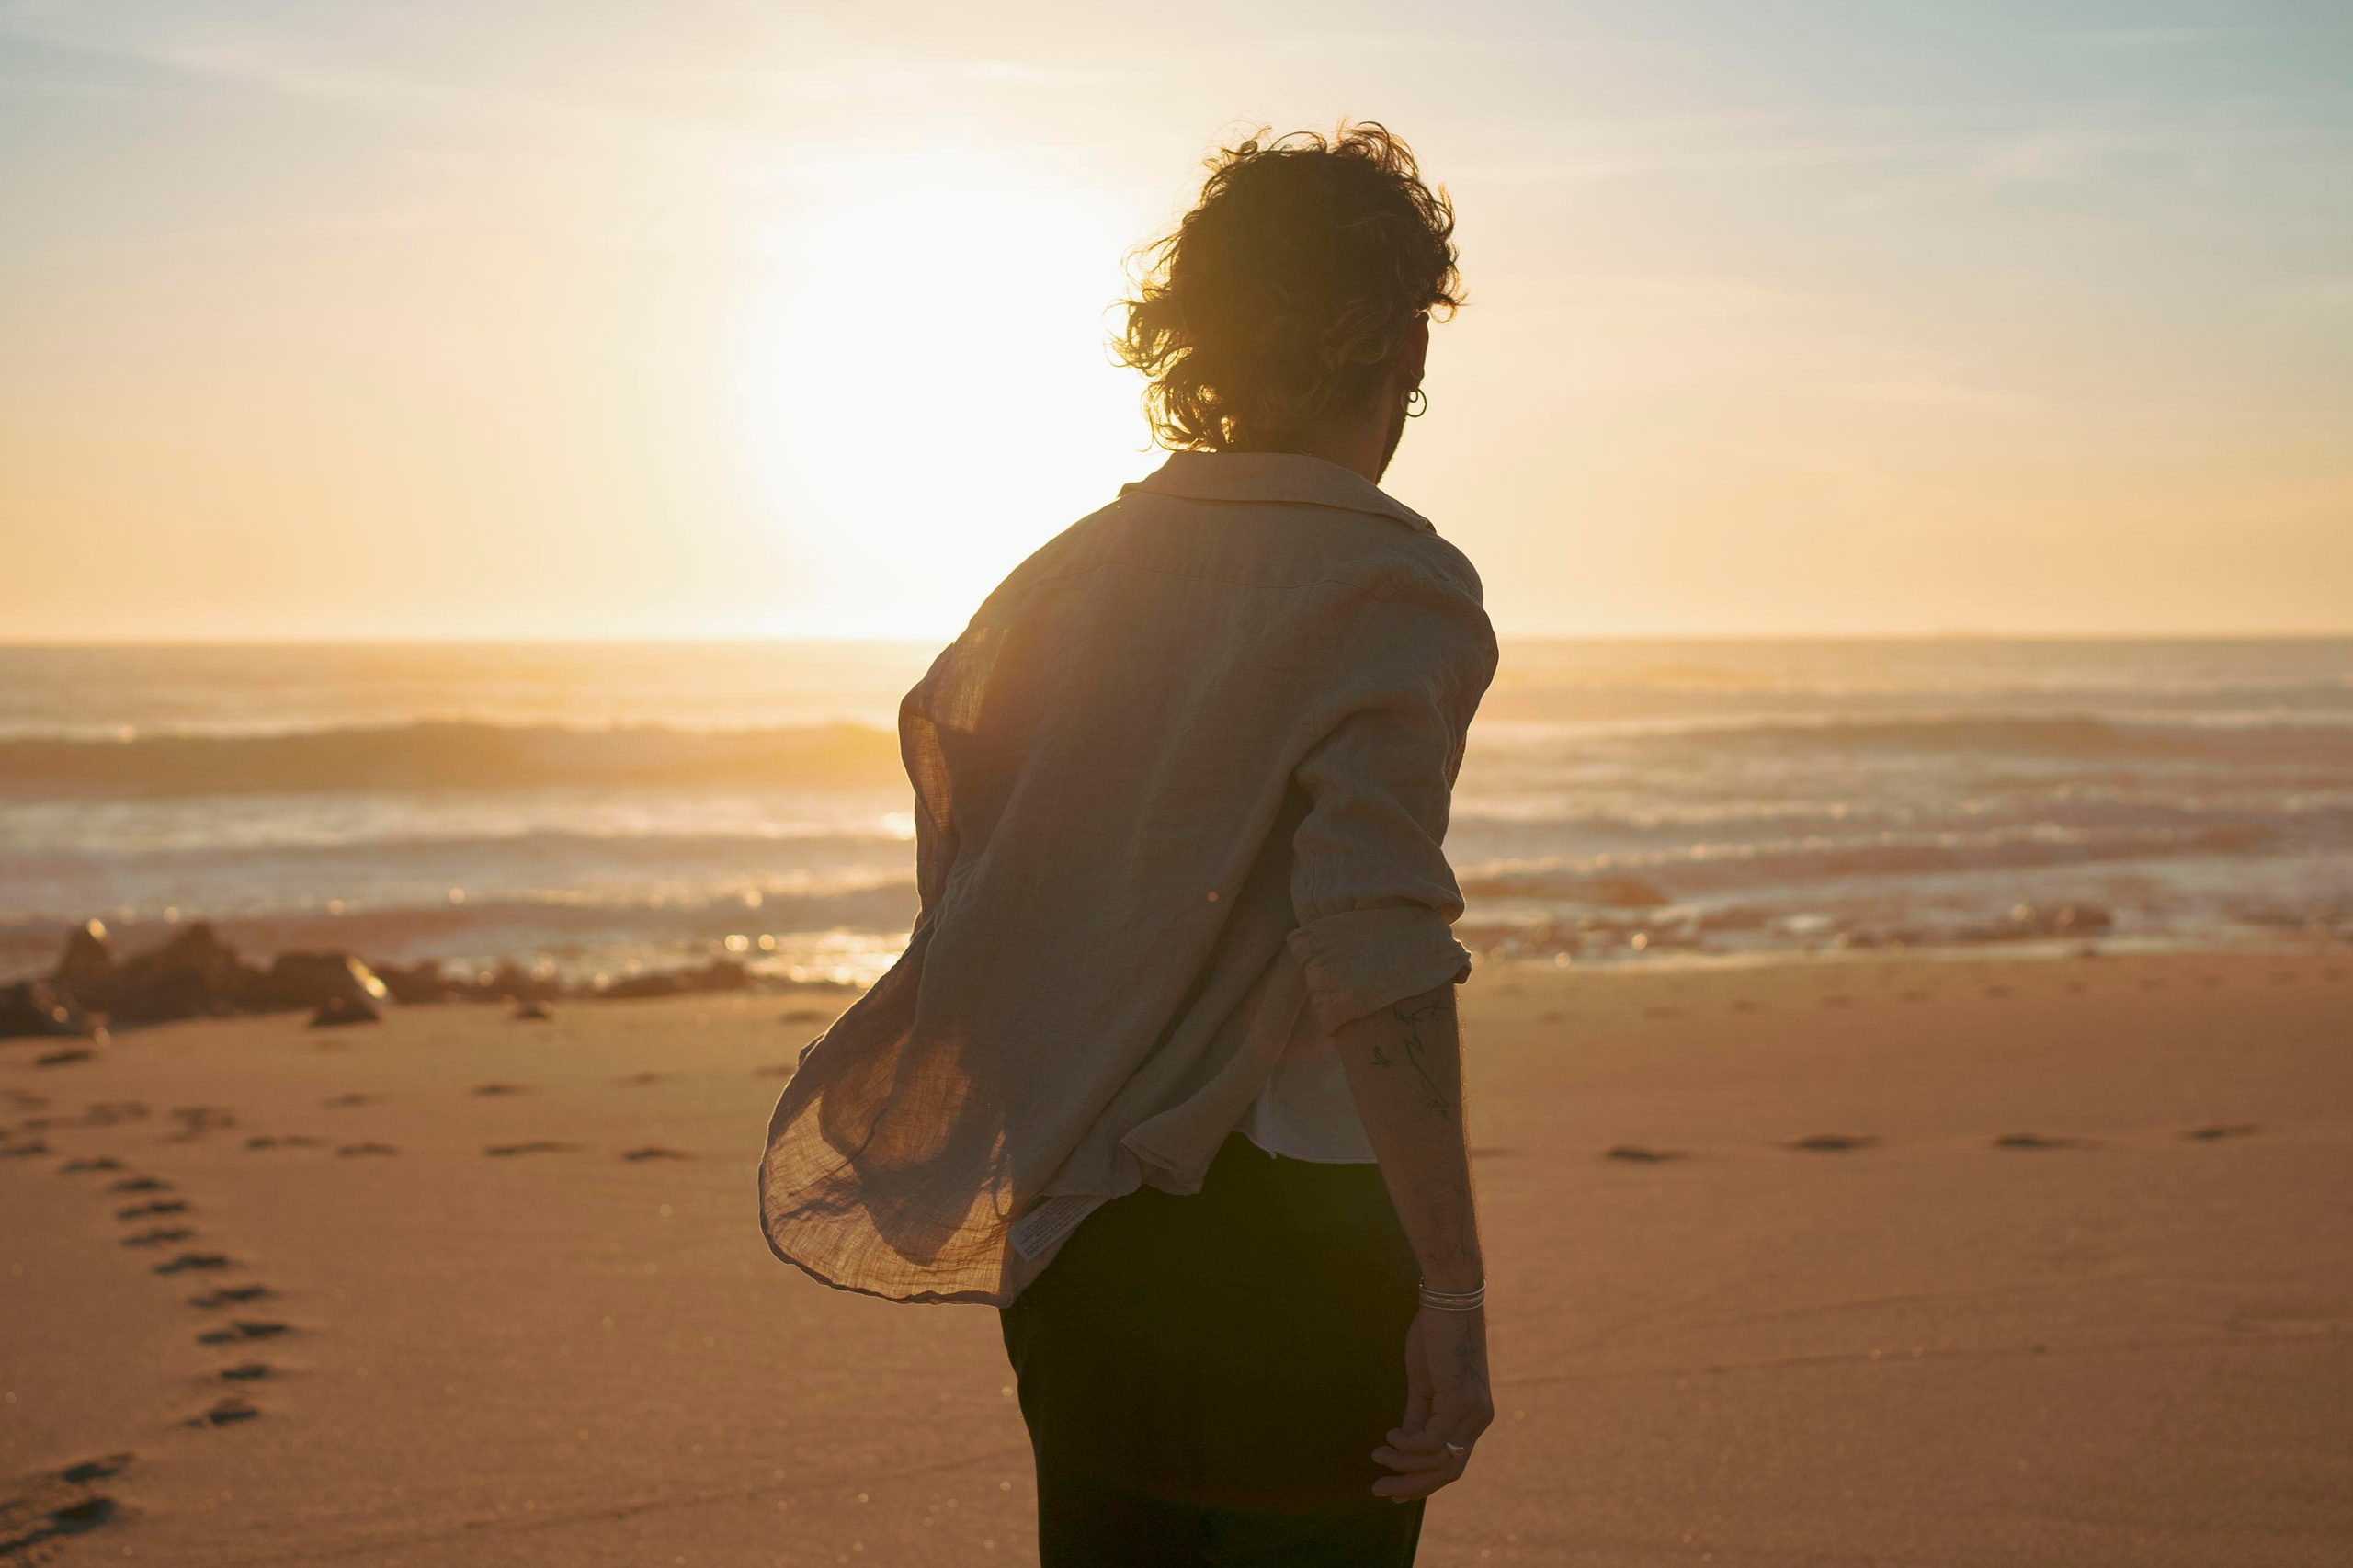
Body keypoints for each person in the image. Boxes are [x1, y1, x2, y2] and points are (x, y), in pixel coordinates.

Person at [758, 122, 1496, 1566]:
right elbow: (1374, 942)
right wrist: (1454, 1290)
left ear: (1200, 340)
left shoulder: (1063, 577)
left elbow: (967, 861)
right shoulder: (1393, 582)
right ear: (1406, 342)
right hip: (1300, 1243)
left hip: (1085, 1243)